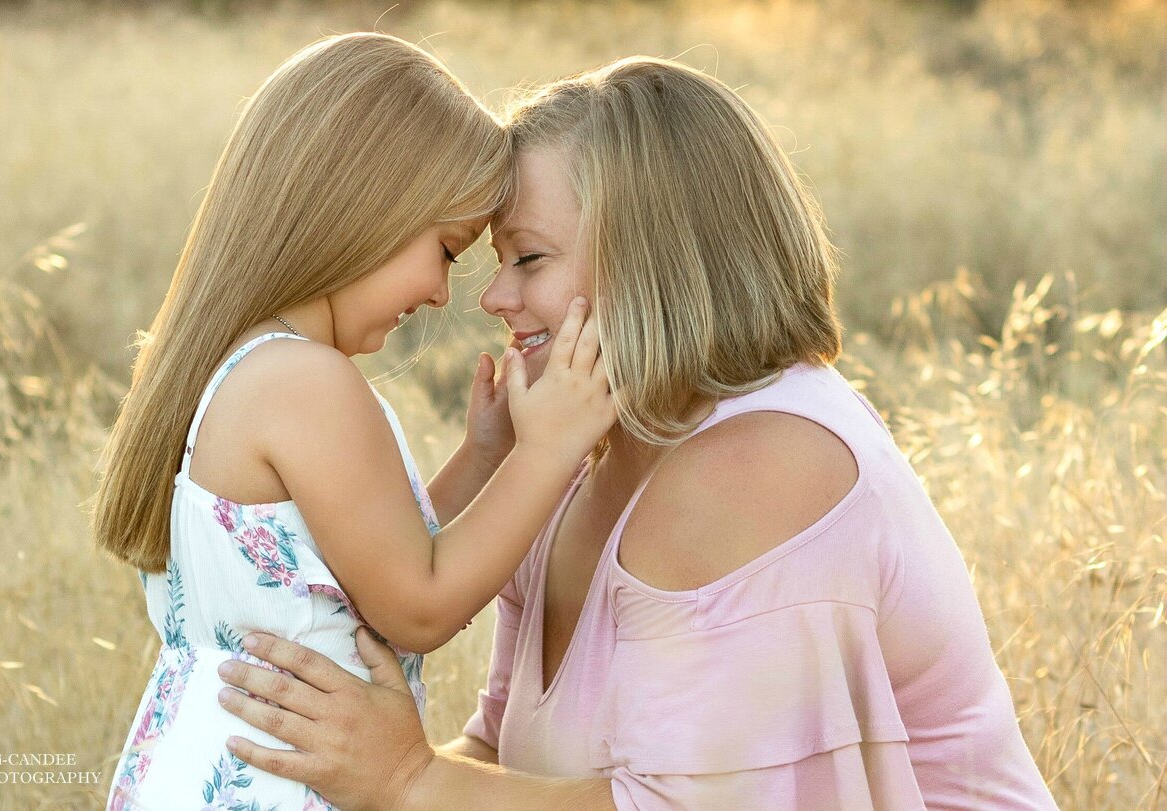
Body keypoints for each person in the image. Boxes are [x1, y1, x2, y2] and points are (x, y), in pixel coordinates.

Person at [213, 57, 1060, 810]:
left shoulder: (759, 465)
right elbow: (503, 752)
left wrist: (404, 780)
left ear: (655, 260)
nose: (493, 298)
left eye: (529, 259)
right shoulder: (581, 456)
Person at [92, 33, 616, 810]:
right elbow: (415, 604)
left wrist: (484, 455)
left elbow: (361, 566)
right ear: (365, 205)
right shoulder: (306, 381)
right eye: (444, 249)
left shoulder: (255, 365)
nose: (443, 292)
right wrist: (546, 452)